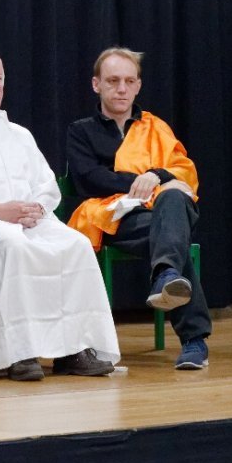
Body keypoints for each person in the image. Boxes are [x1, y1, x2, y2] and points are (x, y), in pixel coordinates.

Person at [0, 46, 119, 380]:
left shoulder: (19, 134)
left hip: (31, 220)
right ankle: (18, 352)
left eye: (0, 77)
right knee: (12, 246)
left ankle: (74, 348)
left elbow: (46, 183)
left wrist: (37, 209)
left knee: (74, 244)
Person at [66, 47, 212, 370]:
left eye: (128, 81)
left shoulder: (155, 127)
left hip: (162, 212)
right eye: (113, 80)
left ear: (138, 86)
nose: (121, 88)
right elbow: (90, 179)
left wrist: (155, 176)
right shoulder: (81, 131)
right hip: (112, 218)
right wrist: (141, 181)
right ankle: (194, 338)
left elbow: (183, 173)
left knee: (173, 201)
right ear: (96, 84)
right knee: (173, 234)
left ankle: (165, 275)